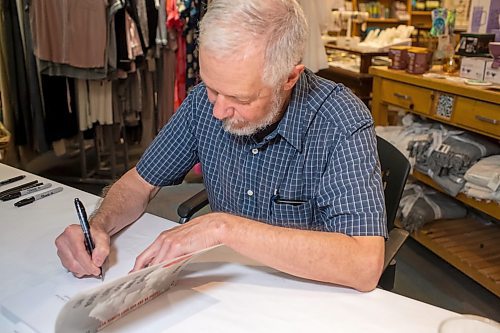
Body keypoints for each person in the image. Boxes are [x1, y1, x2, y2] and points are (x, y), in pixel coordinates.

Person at [55, 0, 387, 292]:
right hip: (225, 284)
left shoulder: (340, 119)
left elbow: (364, 264)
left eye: (240, 98)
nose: (218, 110)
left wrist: (223, 227)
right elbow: (140, 183)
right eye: (212, 87)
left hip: (304, 291)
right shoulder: (203, 102)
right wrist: (99, 226)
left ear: (289, 78)